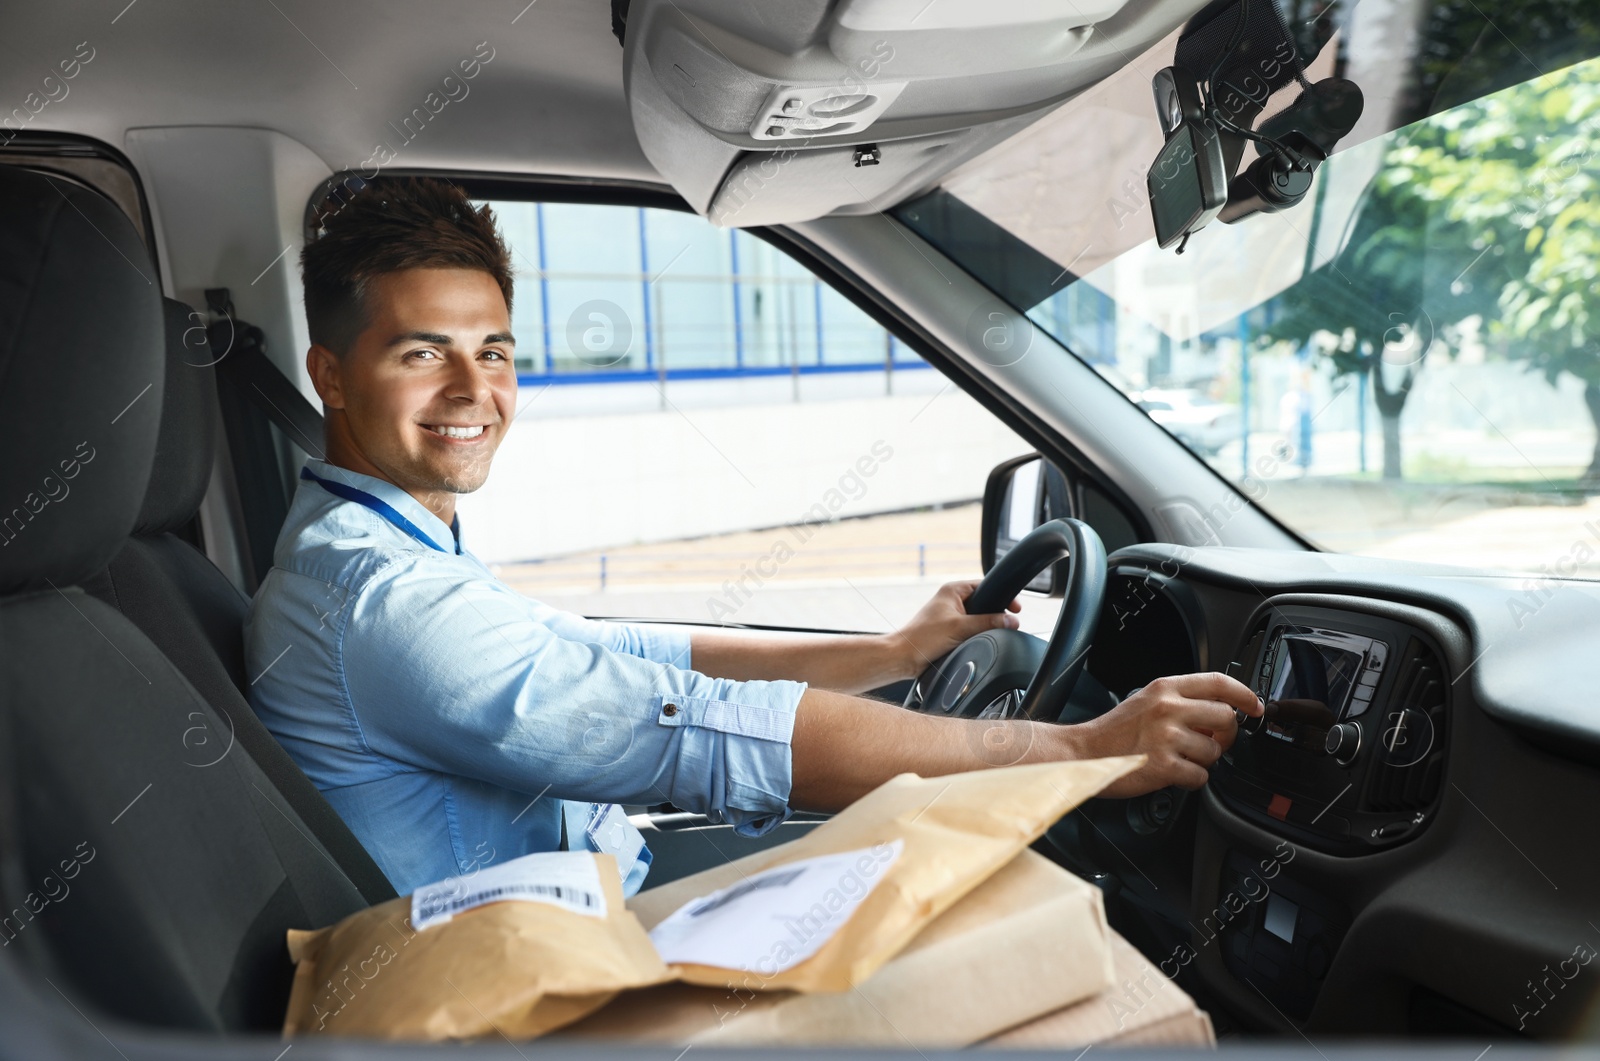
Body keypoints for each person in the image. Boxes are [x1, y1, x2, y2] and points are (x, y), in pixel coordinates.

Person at [244, 177, 1263, 897]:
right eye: (425, 353)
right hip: (526, 981)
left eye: (494, 350)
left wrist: (886, 653)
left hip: (583, 890)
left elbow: (615, 653)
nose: (475, 392)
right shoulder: (385, 599)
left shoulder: (379, 545)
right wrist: (1076, 749)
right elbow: (695, 727)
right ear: (329, 374)